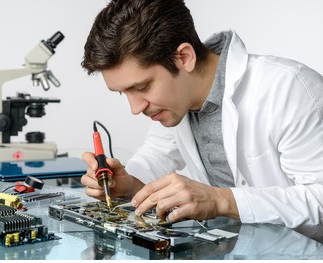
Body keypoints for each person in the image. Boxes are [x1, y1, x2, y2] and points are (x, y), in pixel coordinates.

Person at [80, 0, 323, 241]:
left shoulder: (289, 88)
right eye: (124, 93)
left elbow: (319, 198)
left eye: (142, 86)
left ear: (184, 57)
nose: (135, 108)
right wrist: (127, 185)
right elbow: (157, 153)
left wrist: (220, 200)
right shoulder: (175, 103)